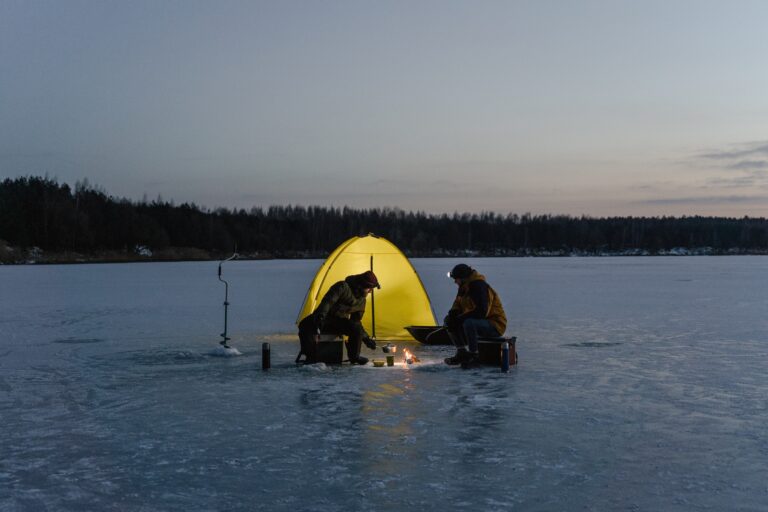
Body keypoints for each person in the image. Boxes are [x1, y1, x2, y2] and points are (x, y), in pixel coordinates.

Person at [298, 271, 379, 364]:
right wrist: (320, 316)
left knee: (356, 329)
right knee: (304, 325)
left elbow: (356, 321)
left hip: (339, 322)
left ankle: (354, 357)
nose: (370, 291)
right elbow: (327, 302)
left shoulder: (361, 301)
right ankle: (310, 356)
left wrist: (366, 339)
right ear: (361, 285)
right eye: (369, 288)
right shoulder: (342, 287)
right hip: (323, 318)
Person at [443, 263, 506, 368]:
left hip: (495, 325)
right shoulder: (464, 287)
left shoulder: (479, 286)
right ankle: (461, 352)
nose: (455, 282)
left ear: (463, 278)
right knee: (449, 320)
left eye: (456, 279)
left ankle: (474, 356)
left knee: (468, 323)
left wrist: (460, 319)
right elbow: (457, 305)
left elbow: (481, 312)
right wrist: (453, 315)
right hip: (478, 323)